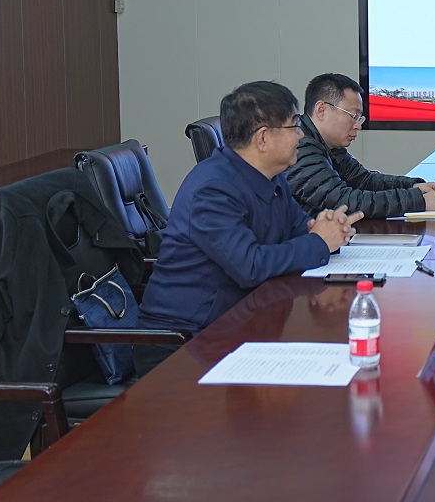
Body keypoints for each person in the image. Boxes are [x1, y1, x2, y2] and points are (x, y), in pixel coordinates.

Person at [136, 81, 361, 374]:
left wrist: (327, 228)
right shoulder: (214, 190)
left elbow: (299, 229)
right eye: (294, 126)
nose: (301, 135)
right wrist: (319, 241)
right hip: (186, 344)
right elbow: (249, 266)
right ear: (263, 138)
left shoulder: (271, 175)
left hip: (239, 323)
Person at [287, 73, 435, 218]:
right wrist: (419, 201)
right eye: (353, 116)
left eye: (359, 118)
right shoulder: (299, 147)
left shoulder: (329, 145)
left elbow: (364, 180)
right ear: (322, 110)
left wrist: (412, 186)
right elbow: (344, 202)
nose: (358, 126)